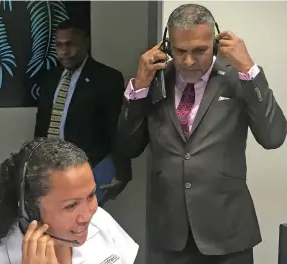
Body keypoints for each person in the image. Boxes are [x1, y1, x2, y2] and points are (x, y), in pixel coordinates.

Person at [116, 4, 287, 264]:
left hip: (227, 234)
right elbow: (128, 147)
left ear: (216, 45)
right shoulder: (154, 80)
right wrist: (138, 87)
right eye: (180, 51)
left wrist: (250, 70)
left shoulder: (238, 78)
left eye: (200, 50)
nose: (188, 61)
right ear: (166, 46)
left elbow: (273, 137)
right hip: (168, 235)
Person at [0, 138, 139, 264]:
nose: (87, 215)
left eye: (91, 195)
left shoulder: (101, 223)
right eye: (71, 206)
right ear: (30, 210)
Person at [34, 19, 131, 205]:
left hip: (90, 168)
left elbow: (116, 128)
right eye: (59, 45)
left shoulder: (106, 78)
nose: (64, 52)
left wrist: (123, 172)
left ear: (85, 42)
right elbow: (41, 125)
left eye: (70, 44)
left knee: (86, 224)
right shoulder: (50, 79)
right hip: (52, 170)